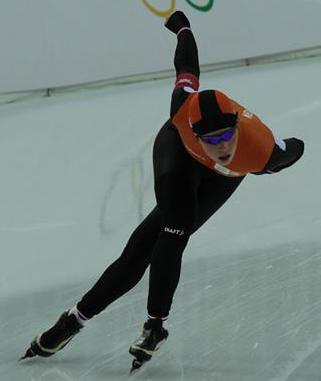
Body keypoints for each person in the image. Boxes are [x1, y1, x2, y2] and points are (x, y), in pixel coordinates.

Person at [21, 11, 304, 366]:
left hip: (225, 177)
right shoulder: (182, 109)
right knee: (153, 244)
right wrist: (183, 28)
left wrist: (283, 146)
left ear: (236, 128)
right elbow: (188, 67)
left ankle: (151, 326)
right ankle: (80, 322)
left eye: (226, 135)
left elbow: (296, 148)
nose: (221, 145)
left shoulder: (261, 152)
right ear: (197, 131)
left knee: (166, 239)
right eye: (211, 138)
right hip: (178, 158)